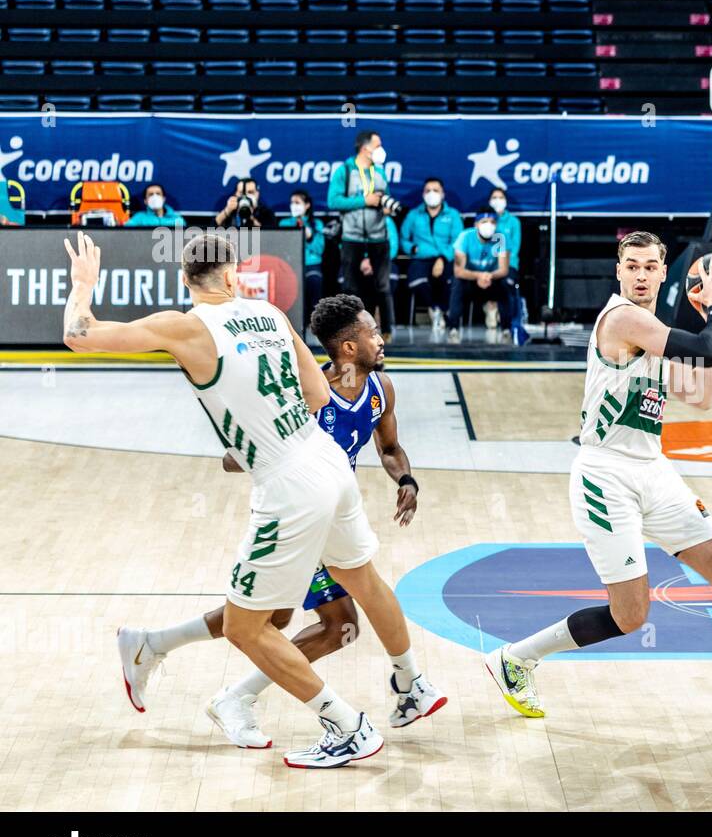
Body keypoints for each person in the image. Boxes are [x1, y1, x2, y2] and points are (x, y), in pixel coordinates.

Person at [62, 231, 440, 769]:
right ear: (234, 274)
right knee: (357, 584)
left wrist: (83, 286)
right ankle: (409, 683)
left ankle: (347, 727)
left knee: (249, 627)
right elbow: (316, 396)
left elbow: (79, 335)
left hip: (287, 481)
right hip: (330, 465)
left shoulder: (186, 325)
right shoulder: (270, 314)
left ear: (186, 280)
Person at [484, 231, 712, 720]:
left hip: (653, 470)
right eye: (633, 266)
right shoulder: (623, 319)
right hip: (605, 476)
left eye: (650, 266)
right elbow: (707, 349)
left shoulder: (653, 328)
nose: (641, 274)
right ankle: (515, 658)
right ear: (619, 271)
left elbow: (701, 391)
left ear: (665, 273)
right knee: (631, 614)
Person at [329, 129, 396, 342]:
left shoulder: (380, 171)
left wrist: (386, 207)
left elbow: (385, 197)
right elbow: (334, 201)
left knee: (383, 285)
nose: (381, 150)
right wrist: (363, 201)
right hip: (352, 237)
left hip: (378, 236)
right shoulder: (345, 171)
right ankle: (351, 329)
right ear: (365, 148)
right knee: (351, 287)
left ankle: (387, 330)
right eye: (378, 145)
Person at [400, 178, 461, 342]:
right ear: (423, 194)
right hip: (422, 258)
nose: (431, 194)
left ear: (443, 194)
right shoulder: (414, 215)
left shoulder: (453, 215)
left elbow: (457, 240)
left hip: (446, 258)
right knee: (416, 281)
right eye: (428, 190)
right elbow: (404, 238)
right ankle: (435, 309)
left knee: (450, 281)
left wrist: (442, 258)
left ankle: (444, 310)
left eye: (436, 190)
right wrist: (413, 249)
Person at [448, 209, 511, 344]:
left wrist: (489, 276)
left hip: (491, 280)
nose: (489, 225)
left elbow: (503, 269)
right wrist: (479, 275)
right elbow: (458, 270)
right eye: (484, 222)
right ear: (476, 224)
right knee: (457, 283)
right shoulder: (465, 237)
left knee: (506, 283)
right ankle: (453, 329)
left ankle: (507, 329)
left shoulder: (501, 238)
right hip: (471, 280)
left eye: (492, 222)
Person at [489, 186, 529, 345]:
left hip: (508, 264)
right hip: (486, 265)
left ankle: (506, 325)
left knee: (505, 283)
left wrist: (500, 264)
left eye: (500, 197)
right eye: (494, 198)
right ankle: (490, 307)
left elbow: (514, 247)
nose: (497, 201)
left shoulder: (513, 222)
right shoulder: (485, 220)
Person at [279, 190, 326, 320]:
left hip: (311, 265)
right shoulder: (284, 224)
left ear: (307, 205)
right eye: (292, 203)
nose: (294, 206)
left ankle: (315, 322)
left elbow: (319, 249)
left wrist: (310, 237)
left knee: (314, 280)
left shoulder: (316, 224)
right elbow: (282, 247)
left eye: (297, 203)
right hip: (291, 265)